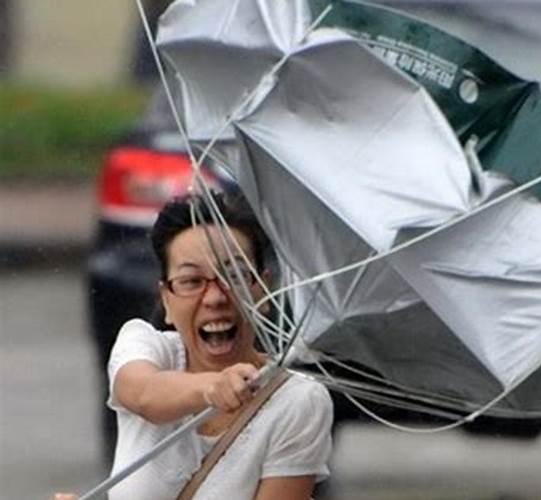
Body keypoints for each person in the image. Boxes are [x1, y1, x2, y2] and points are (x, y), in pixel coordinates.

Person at [56, 192, 333, 500]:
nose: (215, 297)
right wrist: (211, 388)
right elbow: (144, 394)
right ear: (167, 300)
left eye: (235, 275)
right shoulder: (145, 345)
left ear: (263, 290)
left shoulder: (299, 402)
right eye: (191, 280)